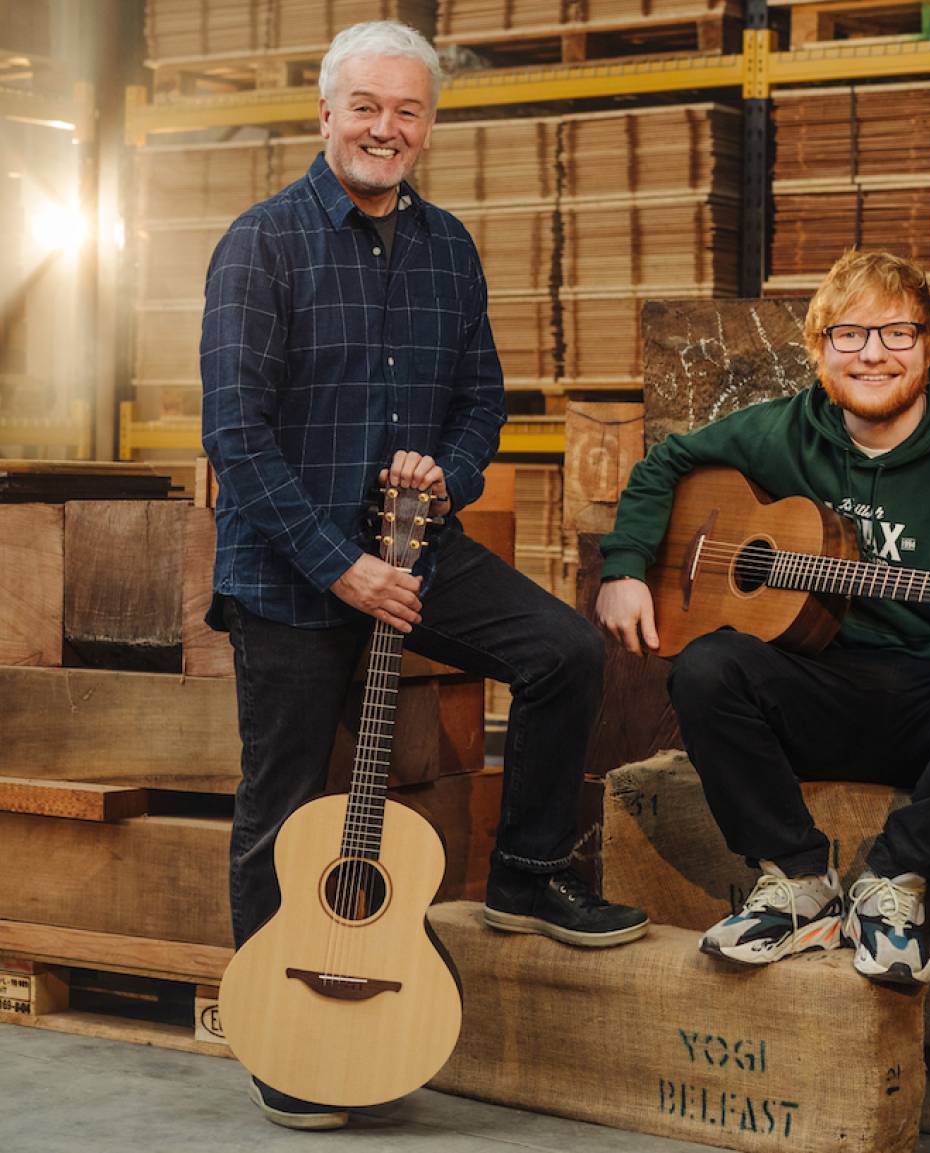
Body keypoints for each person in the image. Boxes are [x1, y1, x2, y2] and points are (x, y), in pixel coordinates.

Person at [201, 20, 647, 1130]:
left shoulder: (449, 247)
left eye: (407, 112)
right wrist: (343, 569)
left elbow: (482, 403)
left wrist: (442, 474)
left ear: (429, 127)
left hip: (417, 554)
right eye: (365, 106)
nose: (384, 129)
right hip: (294, 574)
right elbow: (237, 438)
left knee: (565, 652)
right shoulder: (260, 245)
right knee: (281, 808)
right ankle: (281, 1030)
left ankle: (527, 873)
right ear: (325, 112)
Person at [595, 249, 930, 987]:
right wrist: (626, 566)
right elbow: (667, 461)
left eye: (897, 333)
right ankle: (799, 884)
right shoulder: (787, 430)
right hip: (818, 689)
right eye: (849, 334)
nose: (872, 354)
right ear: (819, 348)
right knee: (705, 668)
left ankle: (894, 883)